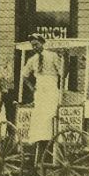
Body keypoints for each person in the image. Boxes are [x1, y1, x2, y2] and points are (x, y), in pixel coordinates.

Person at [22, 33, 62, 165]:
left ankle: (51, 147)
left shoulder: (53, 56)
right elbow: (25, 76)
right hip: (40, 92)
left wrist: (65, 60)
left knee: (50, 118)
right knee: (39, 120)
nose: (34, 47)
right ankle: (40, 147)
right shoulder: (32, 59)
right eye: (32, 45)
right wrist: (32, 88)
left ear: (42, 43)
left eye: (36, 44)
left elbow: (63, 73)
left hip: (51, 90)